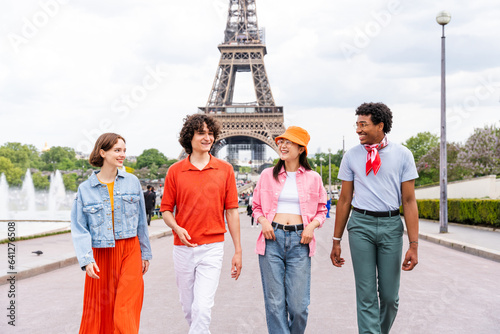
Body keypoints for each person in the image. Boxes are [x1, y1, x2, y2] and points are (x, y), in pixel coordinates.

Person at [330, 102, 419, 334]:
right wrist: (336, 239)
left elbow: (409, 201)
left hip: (391, 226)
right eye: (356, 125)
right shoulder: (351, 156)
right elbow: (344, 200)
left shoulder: (403, 155)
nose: (358, 130)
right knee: (366, 294)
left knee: (389, 297)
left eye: (363, 125)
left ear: (380, 125)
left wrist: (414, 244)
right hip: (361, 225)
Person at [160, 114, 242, 333]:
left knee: (202, 308)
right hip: (183, 248)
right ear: (190, 137)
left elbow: (232, 212)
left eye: (211, 133)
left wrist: (238, 251)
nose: (207, 138)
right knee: (189, 309)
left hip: (212, 248)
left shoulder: (225, 170)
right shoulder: (175, 171)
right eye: (201, 133)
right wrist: (176, 227)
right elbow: (166, 210)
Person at [71, 133, 152, 333]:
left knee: (126, 307)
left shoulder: (132, 182)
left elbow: (142, 221)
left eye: (124, 150)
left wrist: (145, 253)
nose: (122, 154)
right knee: (100, 311)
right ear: (102, 152)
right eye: (117, 150)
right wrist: (87, 259)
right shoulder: (85, 189)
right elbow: (79, 228)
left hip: (130, 251)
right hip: (101, 254)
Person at [252, 126, 327, 334]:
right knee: (275, 304)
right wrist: (263, 222)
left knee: (299, 306)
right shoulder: (267, 175)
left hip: (300, 241)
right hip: (271, 239)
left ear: (301, 149)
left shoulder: (314, 178)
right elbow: (256, 206)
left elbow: (322, 210)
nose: (282, 145)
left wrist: (311, 226)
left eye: (289, 142)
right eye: (281, 141)